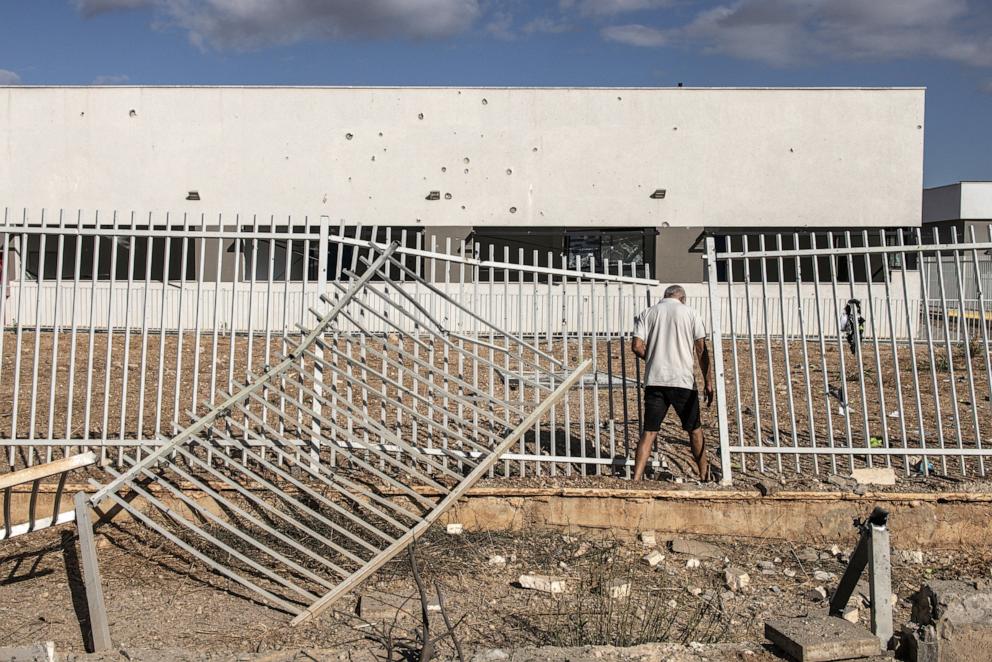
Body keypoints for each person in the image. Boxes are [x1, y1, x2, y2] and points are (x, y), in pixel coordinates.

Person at [631, 284, 713, 481]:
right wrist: (708, 381)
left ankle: (635, 479)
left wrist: (653, 358)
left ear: (665, 296)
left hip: (655, 379)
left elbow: (636, 346)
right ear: (682, 298)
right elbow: (701, 350)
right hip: (682, 380)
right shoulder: (691, 313)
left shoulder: (647, 313)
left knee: (649, 431)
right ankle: (704, 475)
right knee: (694, 429)